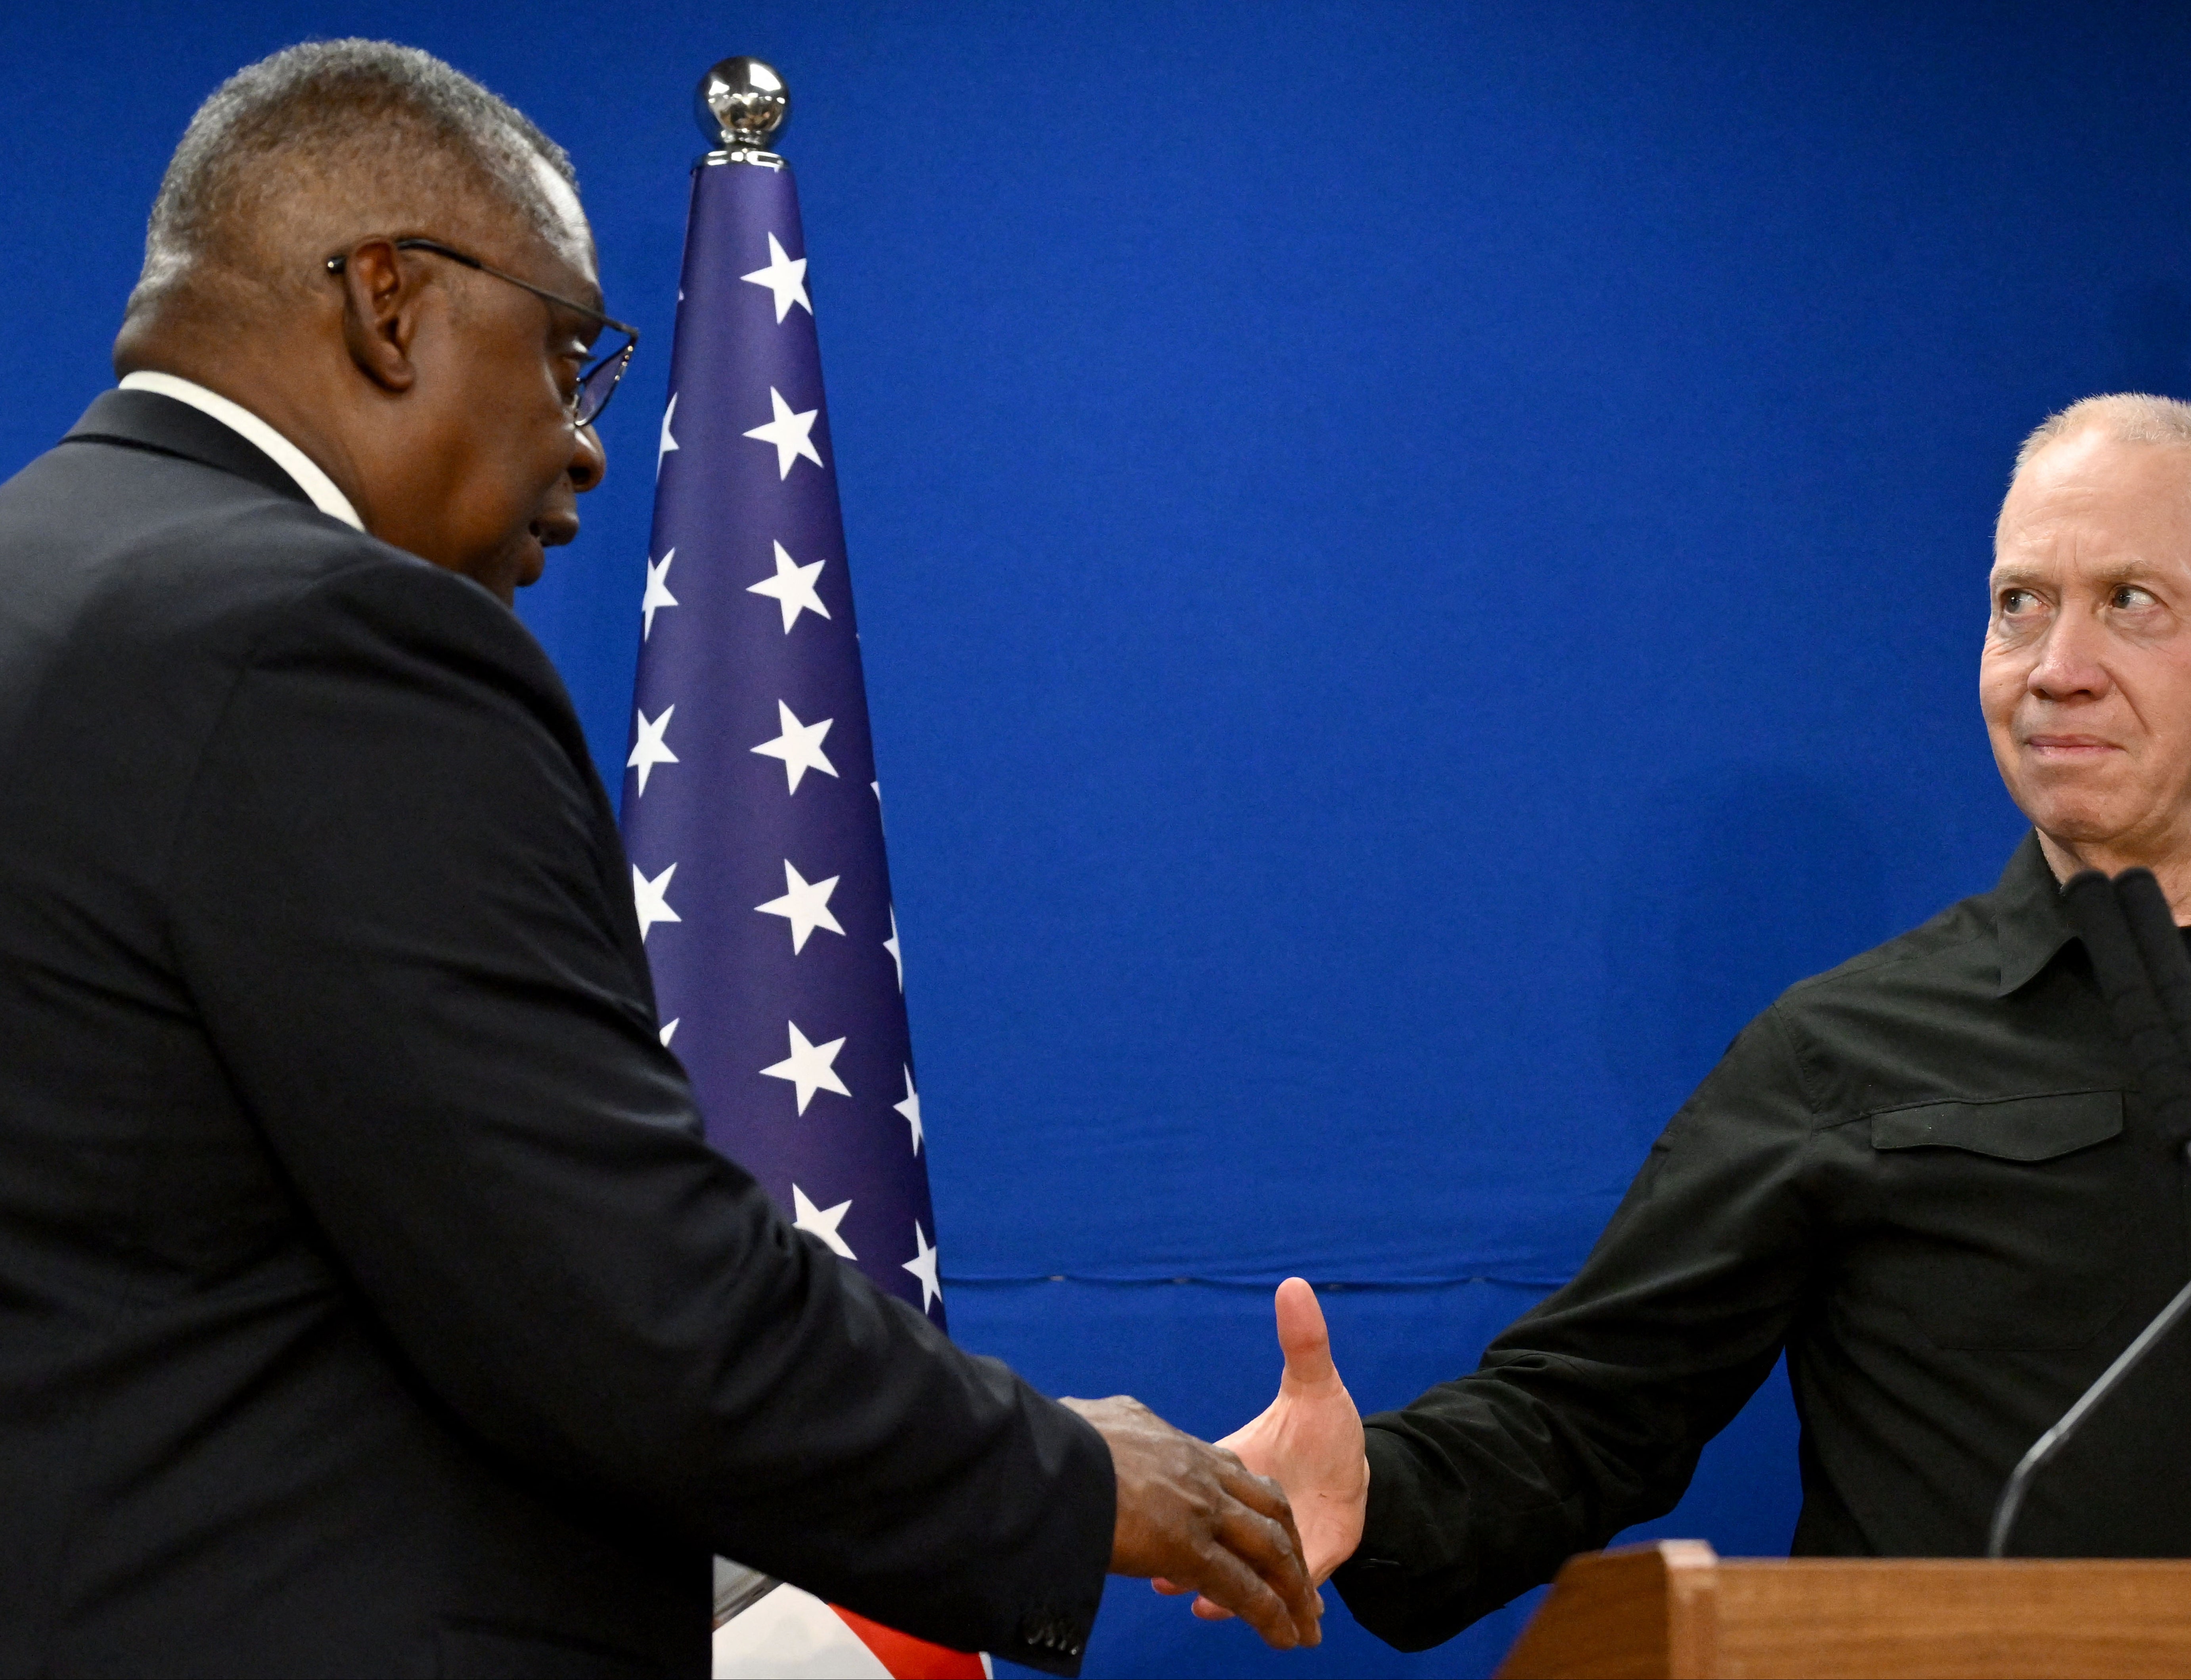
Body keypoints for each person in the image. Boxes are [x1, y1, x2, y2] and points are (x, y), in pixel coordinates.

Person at [0, 41, 1318, 1676]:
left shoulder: (41, 591)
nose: (586, 444)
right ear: (388, 302)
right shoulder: (326, 640)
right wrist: (1063, 1475)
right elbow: (614, 1297)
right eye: (566, 354)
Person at [1192, 393, 2191, 1651]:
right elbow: (1590, 1411)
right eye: (2020, 607)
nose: (2059, 669)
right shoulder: (1842, 1053)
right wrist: (1376, 1482)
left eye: (2130, 604)